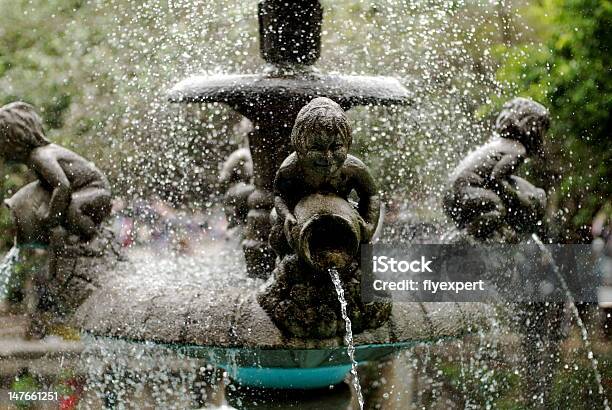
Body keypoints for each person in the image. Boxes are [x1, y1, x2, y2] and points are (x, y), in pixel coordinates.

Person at [269, 97, 380, 255]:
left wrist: (369, 226)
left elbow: (371, 195)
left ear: (347, 143)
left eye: (336, 147)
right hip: (300, 218)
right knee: (278, 230)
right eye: (317, 148)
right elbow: (279, 195)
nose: (327, 156)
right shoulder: (290, 169)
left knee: (362, 249)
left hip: (340, 215)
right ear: (299, 146)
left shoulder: (353, 168)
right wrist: (286, 215)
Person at [0, 102, 111, 242]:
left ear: (14, 140)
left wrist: (52, 217)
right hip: (80, 191)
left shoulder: (40, 156)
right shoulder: (36, 157)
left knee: (71, 210)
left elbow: (62, 186)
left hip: (96, 190)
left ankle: (94, 239)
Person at [443, 97, 549, 238]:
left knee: (492, 217)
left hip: (452, 195)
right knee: (497, 208)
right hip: (464, 192)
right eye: (542, 129)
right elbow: (496, 179)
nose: (543, 138)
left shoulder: (500, 143)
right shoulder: (517, 150)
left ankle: (465, 237)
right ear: (530, 126)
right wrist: (519, 198)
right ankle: (463, 240)